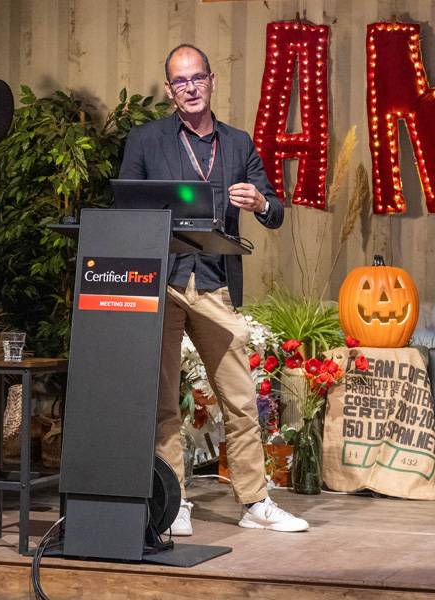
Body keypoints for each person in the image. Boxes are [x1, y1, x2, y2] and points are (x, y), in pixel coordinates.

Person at [119, 44, 309, 535]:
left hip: (215, 284)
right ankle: (175, 501)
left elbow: (275, 211)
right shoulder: (145, 140)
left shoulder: (238, 144)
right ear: (169, 90)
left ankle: (255, 503)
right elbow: (126, 205)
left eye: (197, 78)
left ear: (211, 81)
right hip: (162, 283)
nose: (190, 87)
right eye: (180, 82)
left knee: (241, 399)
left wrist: (260, 202)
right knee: (164, 401)